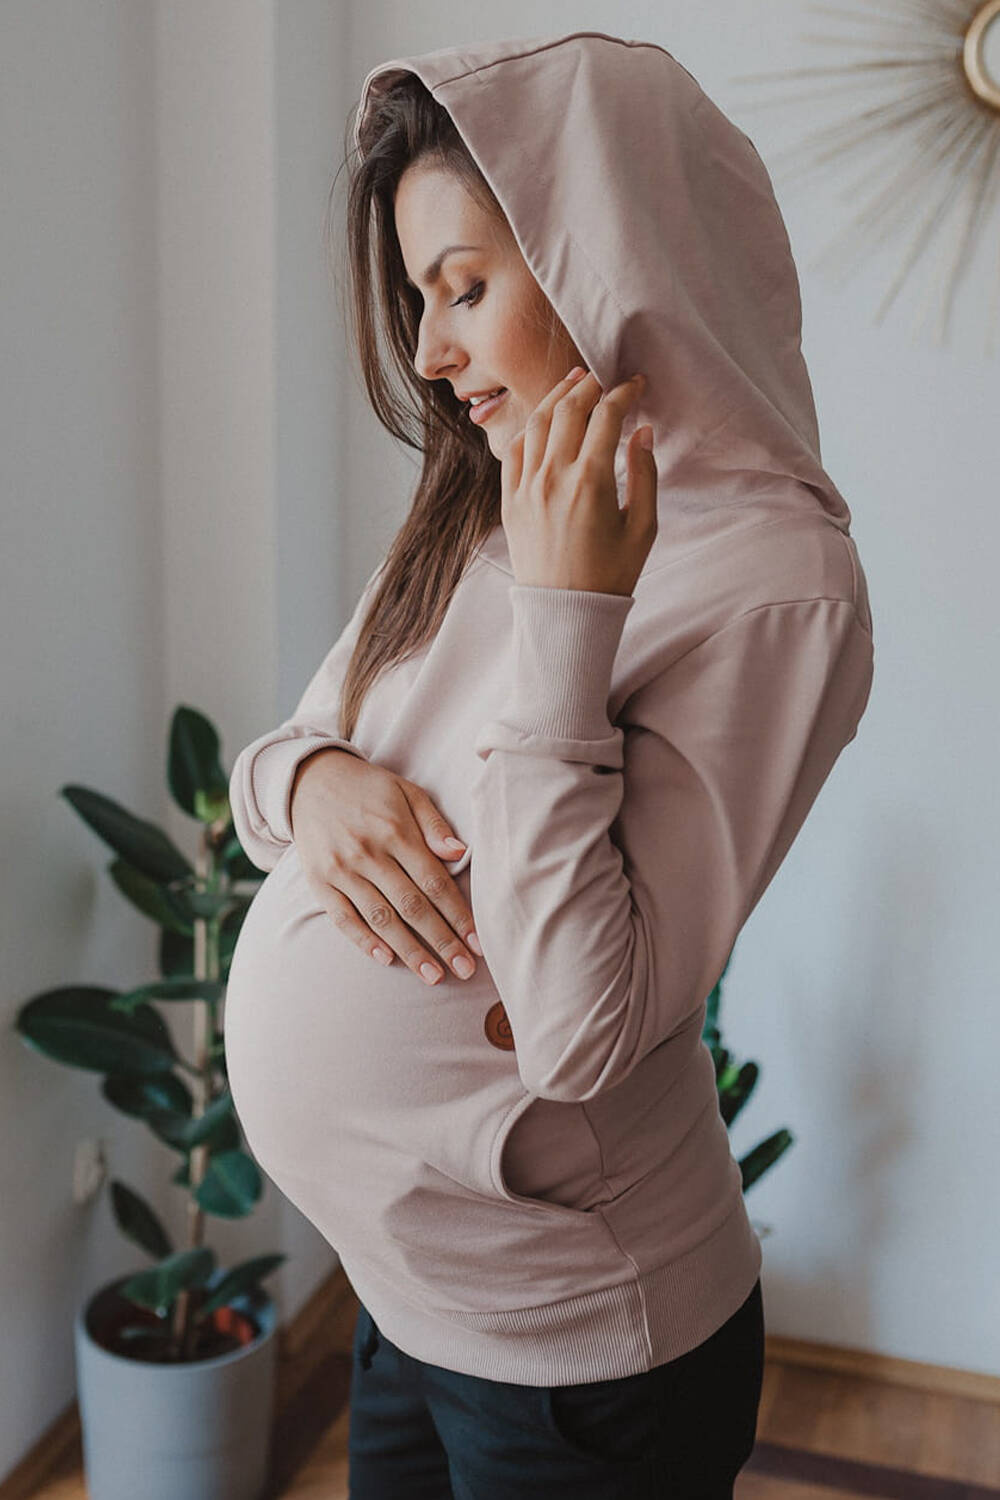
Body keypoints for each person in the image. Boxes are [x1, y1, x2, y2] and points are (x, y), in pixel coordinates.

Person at [223, 29, 875, 1499]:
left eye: (465, 288)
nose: (434, 353)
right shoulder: (481, 492)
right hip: (405, 1303)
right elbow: (278, 765)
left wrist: (571, 616)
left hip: (587, 1357)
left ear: (611, 251)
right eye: (418, 300)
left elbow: (584, 1035)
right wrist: (316, 789)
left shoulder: (779, 583)